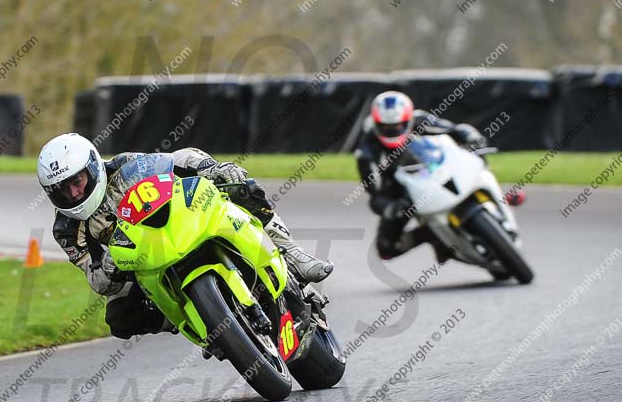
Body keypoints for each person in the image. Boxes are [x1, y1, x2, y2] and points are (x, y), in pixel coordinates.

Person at [38, 133, 333, 340]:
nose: (74, 193)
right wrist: (111, 266)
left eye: (76, 182)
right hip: (140, 263)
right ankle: (195, 317)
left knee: (241, 186)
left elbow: (175, 161)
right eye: (63, 190)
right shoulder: (66, 229)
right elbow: (97, 281)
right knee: (119, 319)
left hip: (180, 222)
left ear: (92, 168)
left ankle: (291, 252)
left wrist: (214, 170)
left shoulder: (126, 167)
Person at [355, 90, 492, 262]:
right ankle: (432, 234)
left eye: (397, 125)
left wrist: (471, 137)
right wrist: (391, 207)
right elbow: (374, 192)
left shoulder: (420, 119)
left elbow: (455, 129)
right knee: (386, 249)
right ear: (376, 123)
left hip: (437, 166)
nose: (392, 130)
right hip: (403, 191)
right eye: (386, 127)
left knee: (478, 155)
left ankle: (500, 196)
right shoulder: (366, 151)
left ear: (407, 119)